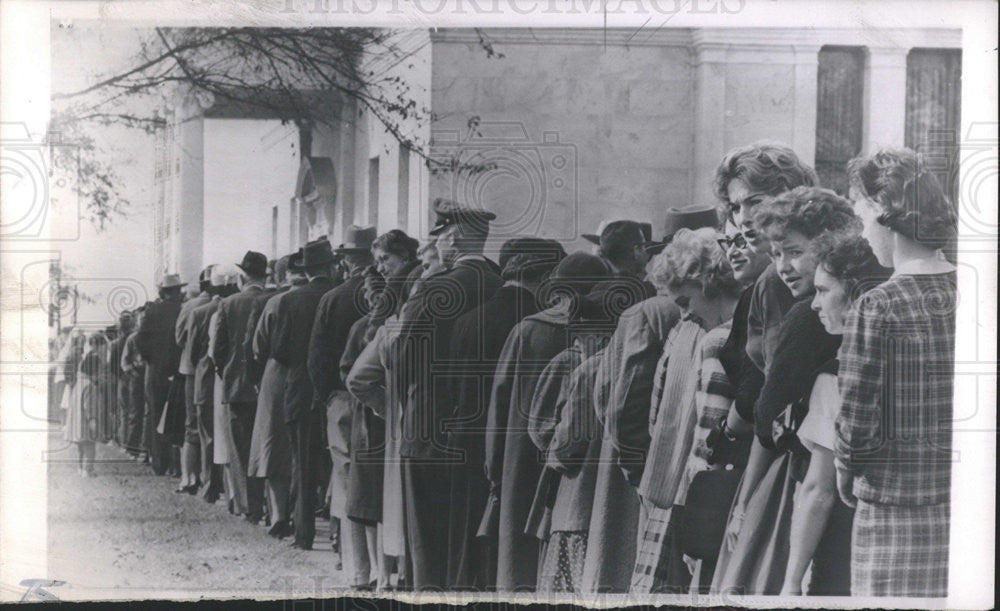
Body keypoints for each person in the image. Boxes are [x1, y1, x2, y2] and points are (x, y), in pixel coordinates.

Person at [712, 187, 856, 595]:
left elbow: (767, 417)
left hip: (807, 477)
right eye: (775, 254)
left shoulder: (808, 316)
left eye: (793, 252)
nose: (783, 266)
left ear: (828, 245)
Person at [837, 148, 957, 597]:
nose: (864, 234)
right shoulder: (973, 291)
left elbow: (856, 416)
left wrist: (844, 469)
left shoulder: (877, 305)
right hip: (963, 507)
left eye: (863, 216)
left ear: (886, 212)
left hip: (892, 509)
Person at [583, 207, 718, 593]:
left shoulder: (649, 311)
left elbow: (620, 401)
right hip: (672, 470)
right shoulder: (680, 311)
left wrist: (638, 469)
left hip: (655, 473)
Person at [486, 252, 611, 592]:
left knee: (520, 559)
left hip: (524, 459)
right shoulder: (611, 335)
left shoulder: (528, 330)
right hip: (582, 473)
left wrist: (494, 467)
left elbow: (500, 402)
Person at [630, 228, 743, 594]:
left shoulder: (717, 341)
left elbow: (706, 445)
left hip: (709, 501)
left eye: (684, 301)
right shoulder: (743, 331)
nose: (685, 314)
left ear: (706, 283)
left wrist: (694, 521)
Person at [780, 234, 891, 596]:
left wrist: (791, 582)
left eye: (824, 291)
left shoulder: (836, 374)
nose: (814, 304)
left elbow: (818, 490)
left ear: (856, 294)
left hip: (845, 541)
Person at [531, 288, 617, 592]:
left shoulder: (589, 370)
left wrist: (552, 452)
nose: (577, 343)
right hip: (613, 496)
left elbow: (567, 447)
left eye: (582, 336)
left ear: (605, 336)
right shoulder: (627, 363)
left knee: (568, 581)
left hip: (577, 494)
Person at [307, 227, 376, 551]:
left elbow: (317, 357)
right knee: (373, 479)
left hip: (341, 396)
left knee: (345, 473)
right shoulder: (383, 293)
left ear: (346, 261)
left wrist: (327, 396)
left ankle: (348, 552)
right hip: (379, 400)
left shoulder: (332, 298)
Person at [247, 250, 306, 538]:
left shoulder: (275, 302)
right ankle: (300, 512)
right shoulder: (320, 295)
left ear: (282, 275)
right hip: (307, 374)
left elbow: (259, 346)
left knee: (273, 444)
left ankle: (279, 513)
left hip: (277, 373)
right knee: (302, 447)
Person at [212, 251, 271, 522]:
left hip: (237, 384)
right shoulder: (274, 298)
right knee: (271, 445)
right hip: (268, 383)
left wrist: (228, 372)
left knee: (241, 446)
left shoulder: (229, 304)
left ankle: (250, 506)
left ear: (243, 276)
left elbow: (218, 349)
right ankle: (274, 506)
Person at [340, 266, 387, 589]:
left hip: (384, 418)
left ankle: (386, 570)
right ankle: (372, 569)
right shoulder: (359, 328)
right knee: (369, 496)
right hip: (369, 419)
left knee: (384, 493)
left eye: (379, 293)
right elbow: (347, 369)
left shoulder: (395, 325)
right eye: (370, 293)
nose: (374, 299)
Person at [188, 265, 240, 503]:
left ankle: (210, 484)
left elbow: (190, 352)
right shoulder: (233, 307)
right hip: (230, 380)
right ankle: (229, 489)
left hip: (206, 380)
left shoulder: (200, 312)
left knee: (208, 436)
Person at [137, 273, 186, 475]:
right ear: (176, 291)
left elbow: (141, 340)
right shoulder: (183, 310)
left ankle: (160, 463)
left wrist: (151, 359)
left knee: (156, 416)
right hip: (178, 368)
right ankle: (176, 466)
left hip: (156, 370)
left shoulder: (152, 311)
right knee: (177, 416)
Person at [175, 265, 215, 494]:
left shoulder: (190, 306)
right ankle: (204, 476)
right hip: (212, 370)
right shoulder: (222, 303)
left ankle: (189, 476)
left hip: (192, 369)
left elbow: (179, 338)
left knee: (192, 424)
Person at [65, 333, 109, 476]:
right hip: (86, 423)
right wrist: (93, 422)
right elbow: (90, 407)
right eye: (98, 372)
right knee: (90, 447)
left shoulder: (78, 383)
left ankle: (80, 468)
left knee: (80, 448)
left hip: (76, 423)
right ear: (93, 371)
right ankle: (88, 470)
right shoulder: (90, 386)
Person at [121, 307, 147, 458]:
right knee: (136, 414)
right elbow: (124, 362)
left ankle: (145, 448)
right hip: (136, 378)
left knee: (148, 414)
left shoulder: (151, 337)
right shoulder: (132, 339)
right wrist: (133, 371)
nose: (143, 323)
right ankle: (132, 448)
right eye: (141, 321)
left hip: (148, 375)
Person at [107, 311, 135, 449]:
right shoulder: (135, 340)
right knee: (134, 412)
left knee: (123, 411)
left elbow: (111, 365)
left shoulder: (115, 344)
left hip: (121, 379)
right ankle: (131, 442)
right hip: (134, 377)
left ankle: (124, 441)